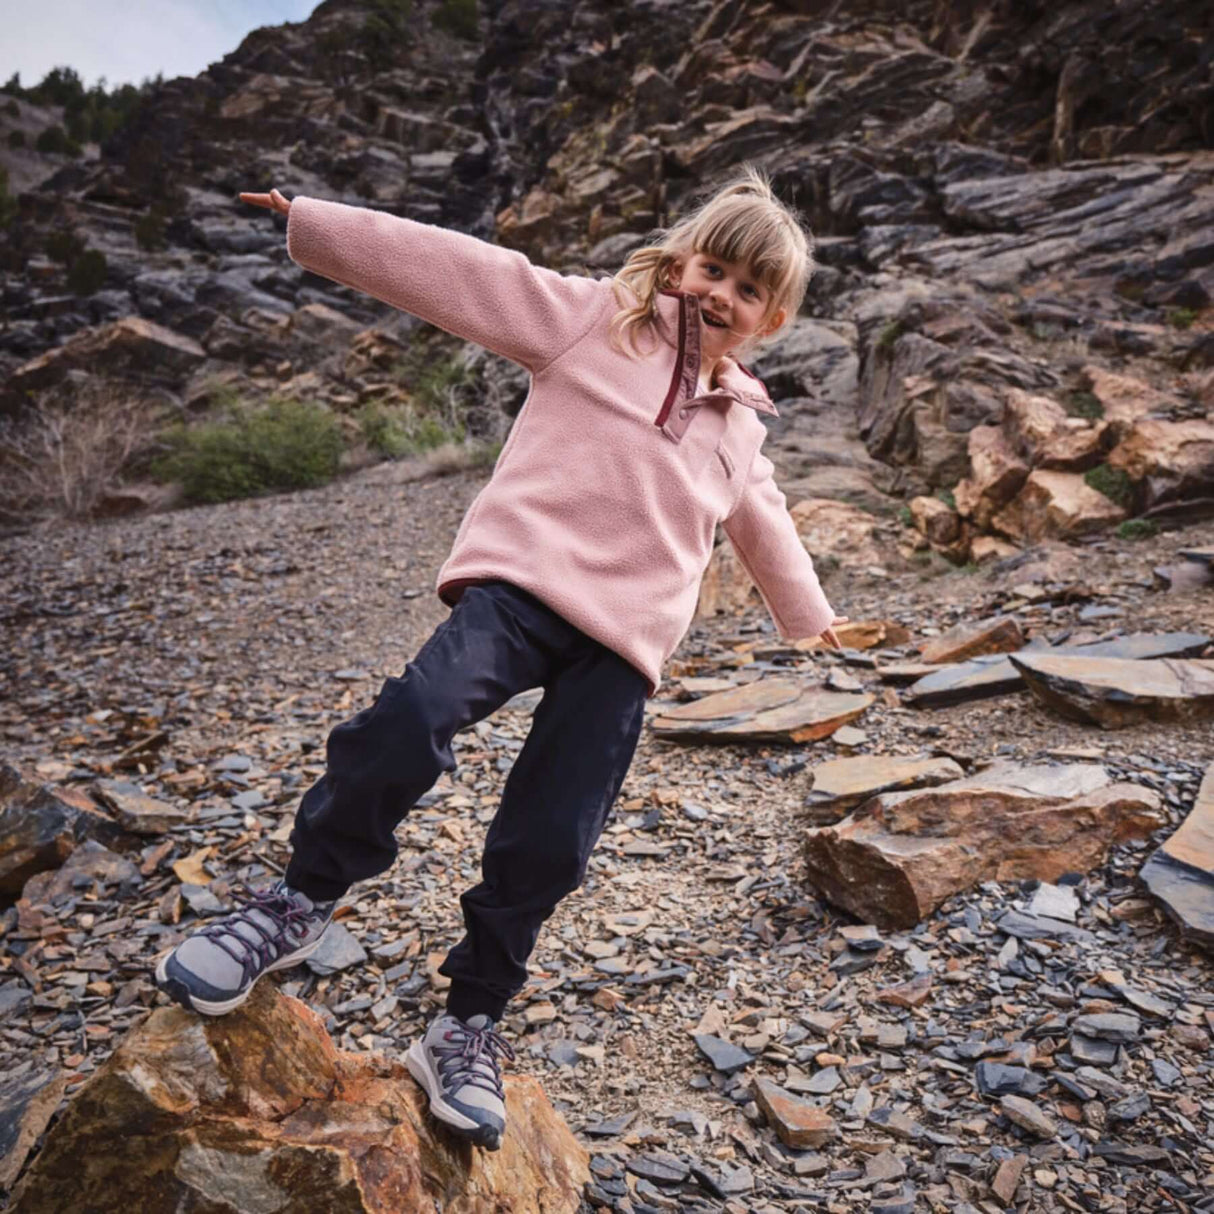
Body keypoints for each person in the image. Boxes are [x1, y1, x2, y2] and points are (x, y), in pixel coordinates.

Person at [152, 164, 846, 1151]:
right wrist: (313, 222)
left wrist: (812, 622)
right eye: (711, 269)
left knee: (553, 836)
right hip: (520, 590)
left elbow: (762, 519)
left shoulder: (740, 427)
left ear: (768, 319)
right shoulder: (589, 321)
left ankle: (466, 1022)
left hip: (622, 649)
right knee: (410, 717)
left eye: (747, 289)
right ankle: (296, 903)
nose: (720, 295)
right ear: (676, 265)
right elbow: (457, 270)